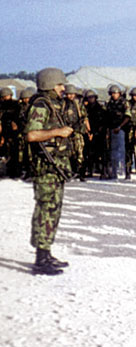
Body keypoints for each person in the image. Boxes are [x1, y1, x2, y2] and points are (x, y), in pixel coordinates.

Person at [24, 68, 74, 275]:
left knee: (53, 210)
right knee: (46, 210)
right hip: (45, 168)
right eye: (60, 84)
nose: (63, 88)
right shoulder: (40, 105)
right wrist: (58, 132)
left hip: (55, 167)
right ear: (49, 84)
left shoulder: (53, 104)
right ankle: (40, 259)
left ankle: (46, 253)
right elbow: (32, 134)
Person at [62, 84, 91, 181]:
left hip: (78, 131)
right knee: (69, 153)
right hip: (66, 131)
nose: (70, 96)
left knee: (80, 153)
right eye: (68, 94)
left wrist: (88, 130)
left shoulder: (78, 104)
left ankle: (81, 173)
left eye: (72, 94)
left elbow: (85, 118)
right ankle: (70, 172)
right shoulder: (63, 104)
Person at [104, 84, 131, 179]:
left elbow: (127, 116)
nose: (114, 95)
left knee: (121, 151)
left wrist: (120, 126)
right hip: (112, 130)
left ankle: (123, 172)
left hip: (121, 130)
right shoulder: (110, 103)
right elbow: (107, 118)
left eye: (116, 93)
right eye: (112, 93)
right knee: (113, 151)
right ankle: (114, 172)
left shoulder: (124, 103)